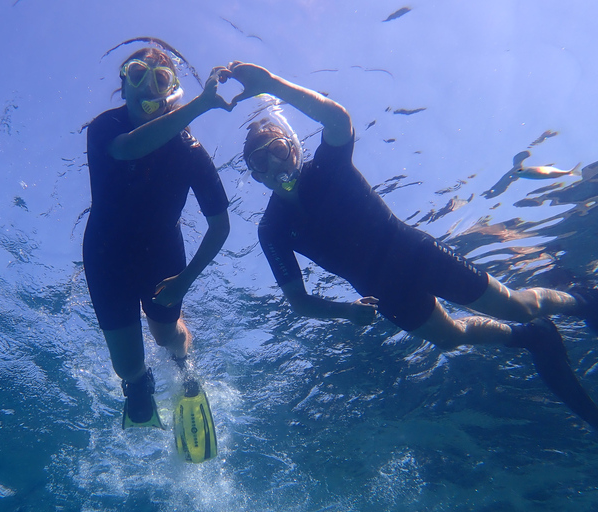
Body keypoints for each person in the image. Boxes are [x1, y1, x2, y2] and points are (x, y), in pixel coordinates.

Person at [220, 61, 598, 428]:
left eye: (278, 150)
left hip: (416, 254)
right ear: (253, 175)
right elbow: (298, 301)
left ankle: (580, 299)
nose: (273, 164)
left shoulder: (327, 167)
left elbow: (339, 120)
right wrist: (346, 312)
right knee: (450, 338)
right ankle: (530, 338)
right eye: (260, 160)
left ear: (293, 148)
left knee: (517, 306)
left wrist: (272, 84)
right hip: (383, 292)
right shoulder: (271, 230)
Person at [83, 48, 232, 428]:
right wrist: (199, 106)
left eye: (160, 78)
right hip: (106, 256)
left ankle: (184, 365)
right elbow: (129, 148)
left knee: (167, 333)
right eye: (137, 74)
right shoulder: (105, 128)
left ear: (171, 91)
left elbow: (220, 226)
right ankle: (138, 385)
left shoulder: (189, 150)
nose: (147, 86)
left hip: (162, 257)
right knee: (127, 366)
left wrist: (187, 279)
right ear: (123, 83)